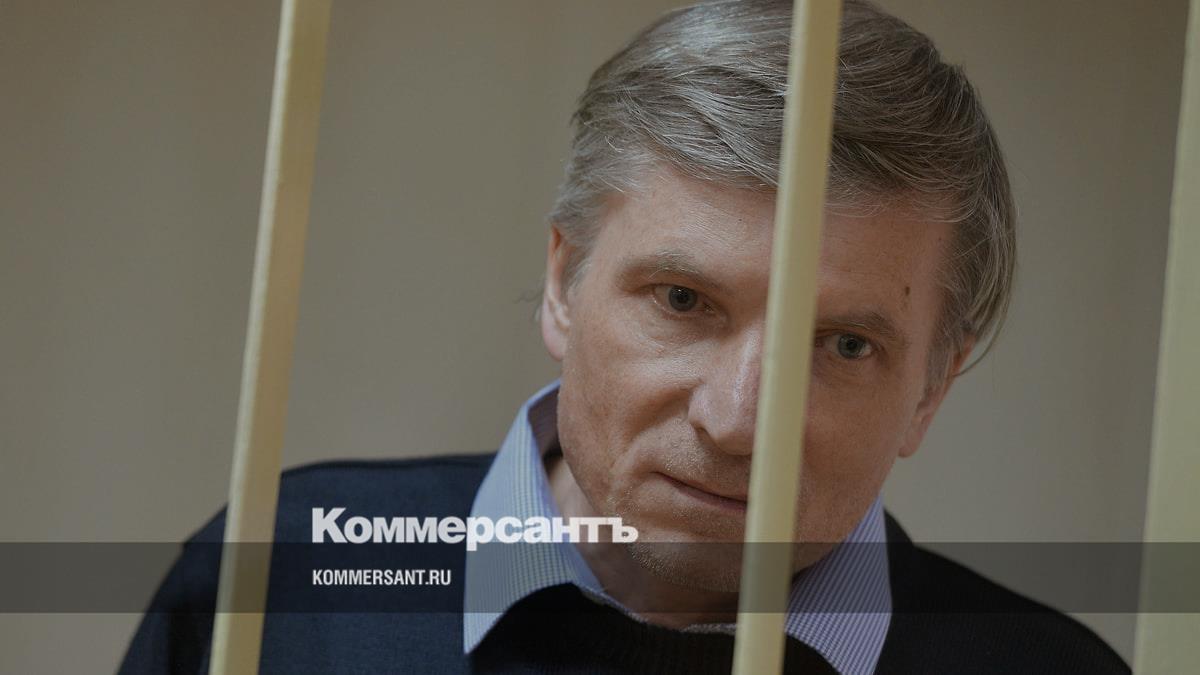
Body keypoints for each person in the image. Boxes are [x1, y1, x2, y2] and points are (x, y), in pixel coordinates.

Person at [121, 1, 1130, 673]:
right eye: (684, 300)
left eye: (845, 346)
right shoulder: (287, 574)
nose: (738, 422)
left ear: (931, 389)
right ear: (564, 285)